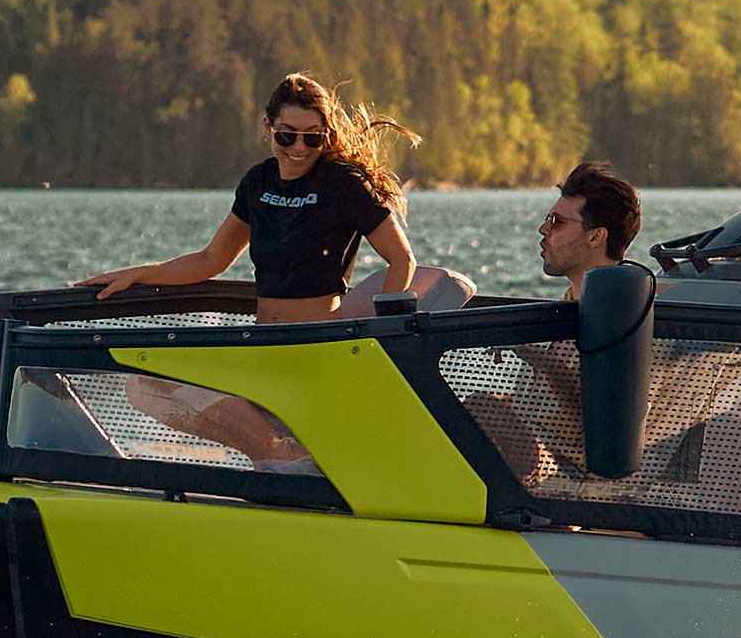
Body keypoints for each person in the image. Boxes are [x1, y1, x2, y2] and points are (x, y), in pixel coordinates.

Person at [80, 74, 419, 324]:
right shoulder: (258, 181)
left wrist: (379, 331)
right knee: (149, 388)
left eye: (312, 138)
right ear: (267, 127)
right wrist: (139, 274)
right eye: (287, 135)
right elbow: (210, 260)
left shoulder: (342, 183)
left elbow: (402, 260)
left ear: (325, 136)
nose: (299, 148)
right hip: (262, 340)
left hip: (319, 344)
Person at [463, 162, 647, 485]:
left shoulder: (626, 322)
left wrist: (537, 358)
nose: (543, 229)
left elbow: (611, 423)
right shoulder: (568, 305)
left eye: (556, 222)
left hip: (569, 486)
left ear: (596, 236)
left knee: (481, 411)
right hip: (530, 474)